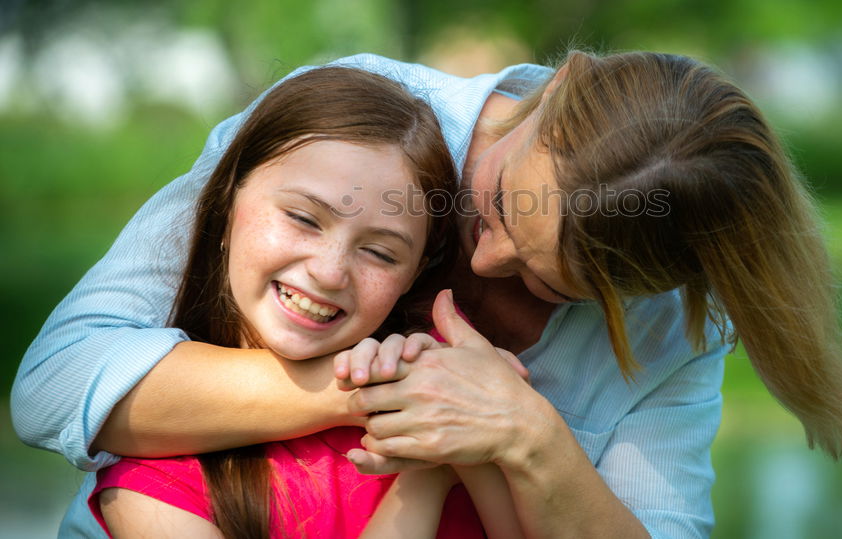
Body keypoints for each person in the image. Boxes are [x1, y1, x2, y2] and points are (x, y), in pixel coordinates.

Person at [13, 51, 842, 539]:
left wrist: (531, 437)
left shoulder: (675, 324)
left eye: (546, 283)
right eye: (498, 202)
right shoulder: (353, 127)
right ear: (560, 83)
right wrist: (395, 388)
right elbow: (55, 383)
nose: (487, 261)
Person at [85, 65, 526, 538]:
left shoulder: (448, 383)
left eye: (379, 252)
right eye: (303, 218)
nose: (329, 271)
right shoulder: (149, 474)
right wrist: (424, 478)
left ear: (414, 273)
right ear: (228, 202)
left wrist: (469, 417)